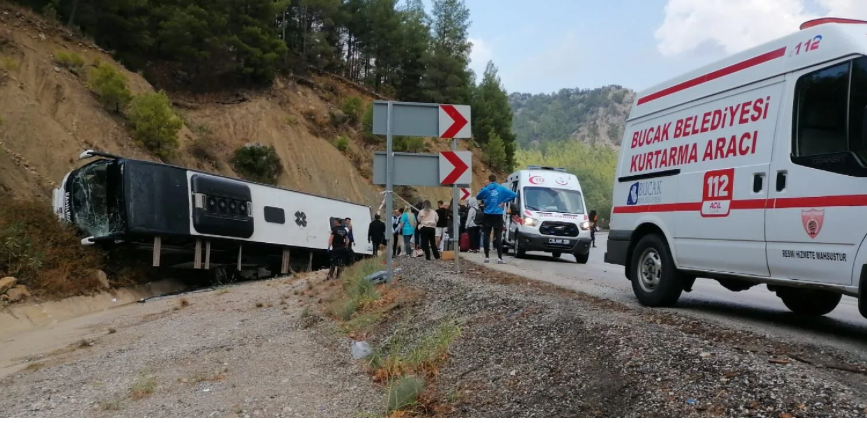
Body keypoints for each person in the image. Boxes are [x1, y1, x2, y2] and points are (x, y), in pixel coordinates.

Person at [476, 174, 517, 264]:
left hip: (487, 214)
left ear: (489, 180)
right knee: (498, 236)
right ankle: (500, 258)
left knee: (486, 235)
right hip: (498, 215)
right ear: (496, 179)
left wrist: (484, 192)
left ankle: (487, 257)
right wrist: (504, 201)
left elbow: (478, 197)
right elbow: (514, 194)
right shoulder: (501, 188)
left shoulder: (486, 189)